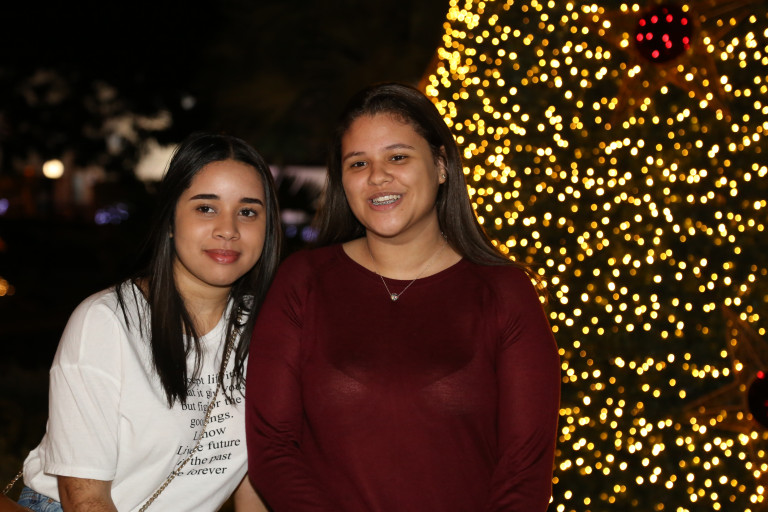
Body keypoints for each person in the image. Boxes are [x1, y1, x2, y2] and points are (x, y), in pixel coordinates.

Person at [245, 82, 561, 511]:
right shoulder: (303, 281)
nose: (377, 176)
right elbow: (273, 446)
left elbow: (525, 470)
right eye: (358, 163)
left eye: (398, 157)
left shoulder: (504, 292)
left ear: (441, 165)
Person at [17, 132, 282, 512]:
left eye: (248, 212)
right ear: (170, 220)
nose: (228, 229)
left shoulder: (268, 327)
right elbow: (86, 499)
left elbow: (254, 479)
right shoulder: (107, 322)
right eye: (206, 208)